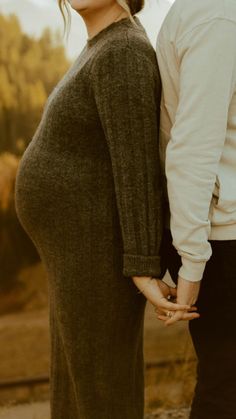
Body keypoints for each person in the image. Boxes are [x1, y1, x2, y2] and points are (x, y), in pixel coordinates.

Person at [14, 1, 197, 418]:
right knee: (77, 388)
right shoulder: (100, 47)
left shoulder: (123, 52)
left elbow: (137, 167)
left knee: (101, 393)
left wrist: (141, 266)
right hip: (76, 256)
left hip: (98, 255)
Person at [156, 0, 236, 418]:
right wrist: (191, 261)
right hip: (222, 238)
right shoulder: (216, 15)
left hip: (220, 233)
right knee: (227, 389)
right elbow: (191, 147)